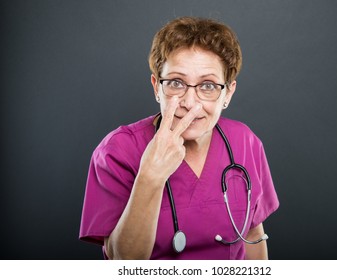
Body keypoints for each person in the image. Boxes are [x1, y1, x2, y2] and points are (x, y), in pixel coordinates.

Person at [79, 16, 279, 260]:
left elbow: (253, 233)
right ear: (156, 87)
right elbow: (123, 263)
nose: (190, 103)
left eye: (207, 86)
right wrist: (151, 176)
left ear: (228, 93)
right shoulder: (117, 151)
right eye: (176, 83)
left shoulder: (245, 141)